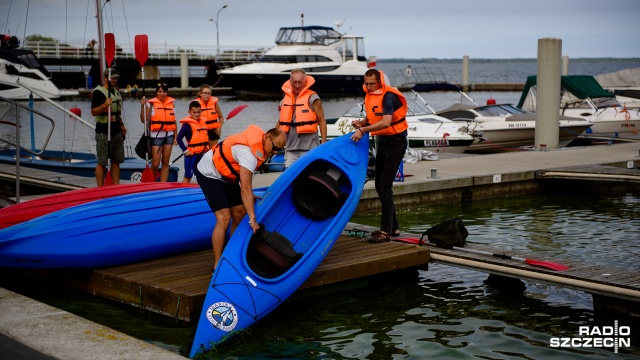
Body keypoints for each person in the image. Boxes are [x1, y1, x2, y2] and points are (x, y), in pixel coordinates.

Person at [195, 125, 286, 271]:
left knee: (239, 212)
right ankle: (218, 264)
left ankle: (230, 254)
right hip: (209, 173)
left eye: (279, 151)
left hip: (228, 177)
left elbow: (244, 184)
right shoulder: (248, 154)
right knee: (224, 218)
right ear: (267, 137)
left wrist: (248, 199)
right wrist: (253, 220)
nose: (274, 153)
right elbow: (245, 188)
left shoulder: (261, 146)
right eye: (274, 148)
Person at [350, 69, 408, 243]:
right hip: (382, 142)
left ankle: (385, 231)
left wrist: (362, 130)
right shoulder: (370, 96)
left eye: (371, 84)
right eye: (366, 83)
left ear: (380, 82)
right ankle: (394, 227)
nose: (368, 87)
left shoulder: (388, 96)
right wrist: (362, 122)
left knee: (384, 186)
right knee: (379, 184)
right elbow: (373, 118)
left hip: (396, 142)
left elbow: (386, 121)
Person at [276, 68, 327, 169]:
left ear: (305, 82)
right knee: (289, 177)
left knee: (309, 177)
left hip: (310, 148)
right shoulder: (284, 101)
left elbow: (321, 120)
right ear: (290, 82)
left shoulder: (313, 99)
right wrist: (275, 143)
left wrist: (323, 142)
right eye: (295, 82)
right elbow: (280, 122)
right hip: (290, 149)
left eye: (300, 82)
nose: (297, 85)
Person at [90, 68, 126, 186]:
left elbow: (117, 111)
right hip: (103, 131)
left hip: (116, 130)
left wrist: (121, 125)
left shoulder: (116, 91)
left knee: (116, 161)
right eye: (112, 78)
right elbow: (93, 112)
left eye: (116, 78)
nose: (114, 80)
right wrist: (104, 105)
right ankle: (100, 188)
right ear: (105, 78)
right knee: (102, 162)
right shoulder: (98, 92)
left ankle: (116, 186)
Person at [140, 82, 177, 182]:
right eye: (160, 91)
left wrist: (175, 137)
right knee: (155, 163)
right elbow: (143, 120)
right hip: (156, 136)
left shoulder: (171, 104)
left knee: (165, 162)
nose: (162, 94)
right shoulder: (150, 104)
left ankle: (162, 185)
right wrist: (142, 107)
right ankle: (149, 183)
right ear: (156, 92)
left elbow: (174, 122)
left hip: (169, 135)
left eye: (164, 91)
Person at [176, 101, 209, 183]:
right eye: (194, 112)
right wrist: (185, 150)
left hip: (202, 154)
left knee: (202, 174)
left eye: (198, 112)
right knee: (188, 175)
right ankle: (183, 192)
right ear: (189, 112)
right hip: (191, 155)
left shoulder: (203, 123)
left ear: (201, 111)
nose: (197, 114)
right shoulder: (187, 125)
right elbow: (179, 138)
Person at [194, 84, 225, 149]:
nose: (207, 95)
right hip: (201, 131)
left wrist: (219, 127)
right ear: (200, 94)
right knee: (202, 154)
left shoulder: (214, 104)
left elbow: (221, 117)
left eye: (209, 93)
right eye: (205, 93)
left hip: (213, 131)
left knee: (212, 153)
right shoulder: (196, 104)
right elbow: (192, 120)